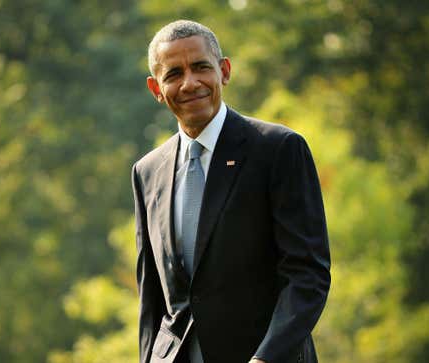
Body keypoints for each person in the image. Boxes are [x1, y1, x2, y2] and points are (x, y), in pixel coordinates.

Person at [131, 20, 330, 363]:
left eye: (201, 67)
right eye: (174, 74)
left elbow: (307, 276)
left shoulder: (278, 149)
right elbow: (151, 299)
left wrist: (265, 359)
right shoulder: (147, 172)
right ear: (156, 88)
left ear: (224, 71)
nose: (190, 83)